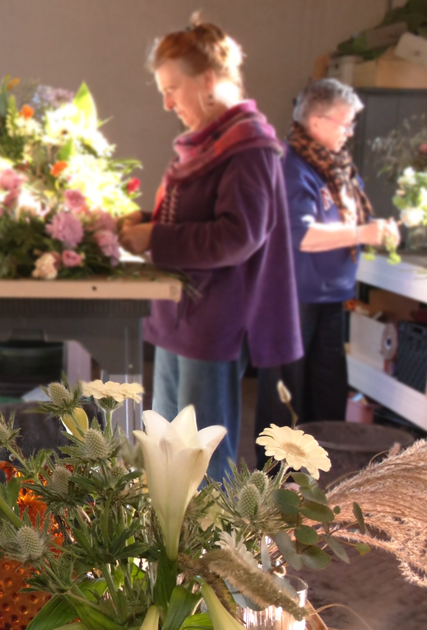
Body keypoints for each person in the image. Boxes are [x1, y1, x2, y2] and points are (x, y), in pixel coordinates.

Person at [119, 18, 302, 482]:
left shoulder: (249, 146)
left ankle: (208, 554)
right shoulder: (214, 141)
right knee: (164, 449)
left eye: (172, 88)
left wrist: (154, 239)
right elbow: (194, 218)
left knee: (199, 461)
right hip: (180, 317)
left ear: (207, 80)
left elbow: (237, 236)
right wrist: (144, 222)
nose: (166, 103)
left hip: (213, 321)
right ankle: (168, 548)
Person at [255, 79, 399, 455]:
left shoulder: (337, 167)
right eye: (345, 123)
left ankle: (324, 477)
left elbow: (350, 220)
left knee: (328, 393)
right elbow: (304, 236)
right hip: (293, 300)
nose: (350, 133)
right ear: (316, 121)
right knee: (286, 400)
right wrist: (363, 232)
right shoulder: (292, 165)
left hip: (331, 297)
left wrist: (375, 231)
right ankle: (271, 485)